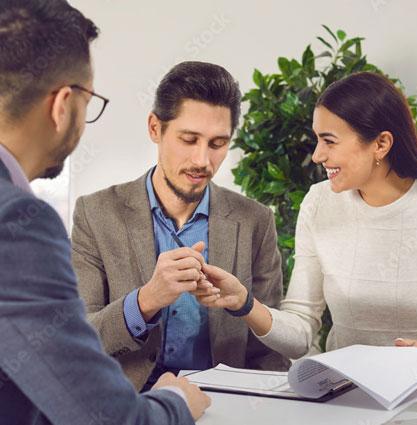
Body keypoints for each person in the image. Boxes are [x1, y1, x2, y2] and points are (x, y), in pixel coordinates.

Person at [197, 72, 417, 371]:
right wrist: (245, 303)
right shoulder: (319, 203)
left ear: (381, 144)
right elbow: (300, 332)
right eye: (317, 139)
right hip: (345, 395)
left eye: (329, 141)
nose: (316, 156)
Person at [0, 1, 210, 424]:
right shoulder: (18, 223)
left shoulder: (250, 218)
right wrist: (176, 402)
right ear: (62, 105)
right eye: (89, 99)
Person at [71, 61, 290, 391]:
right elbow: (78, 339)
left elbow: (268, 350)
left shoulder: (254, 221)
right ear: (155, 128)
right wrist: (146, 300)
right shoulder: (96, 213)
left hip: (224, 406)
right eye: (189, 139)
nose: (203, 160)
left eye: (217, 144)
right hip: (129, 405)